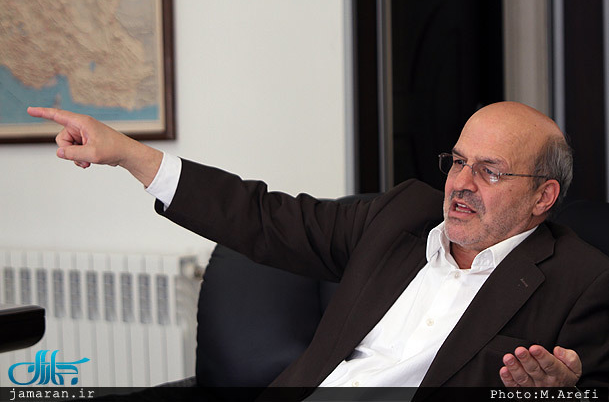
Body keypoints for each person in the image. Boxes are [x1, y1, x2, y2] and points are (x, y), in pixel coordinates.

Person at [27, 102, 609, 393]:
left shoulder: (583, 281)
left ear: (543, 196)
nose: (461, 183)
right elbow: (262, 217)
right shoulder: (399, 217)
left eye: (489, 171)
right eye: (458, 162)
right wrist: (130, 154)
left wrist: (558, 395)